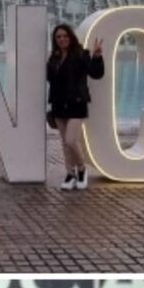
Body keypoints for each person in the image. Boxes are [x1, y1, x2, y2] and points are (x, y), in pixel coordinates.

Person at [46, 24, 103, 191]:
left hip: (77, 103)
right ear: (55, 40)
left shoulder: (81, 54)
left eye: (65, 36)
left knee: (71, 141)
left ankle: (82, 169)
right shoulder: (54, 58)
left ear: (71, 37)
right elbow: (51, 80)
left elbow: (96, 73)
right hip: (58, 104)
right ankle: (70, 174)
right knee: (64, 143)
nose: (62, 39)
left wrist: (97, 57)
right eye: (58, 37)